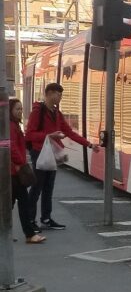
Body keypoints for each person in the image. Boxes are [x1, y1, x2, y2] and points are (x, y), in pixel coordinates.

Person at [26, 82, 98, 231]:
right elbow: (30, 135)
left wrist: (89, 145)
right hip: (39, 153)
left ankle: (46, 218)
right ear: (49, 93)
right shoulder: (37, 112)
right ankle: (30, 220)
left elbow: (69, 132)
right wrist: (48, 135)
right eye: (58, 94)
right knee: (37, 187)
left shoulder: (56, 113)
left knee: (48, 187)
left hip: (52, 153)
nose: (60, 98)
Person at [10, 98, 46, 244]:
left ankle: (23, 234)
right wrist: (20, 163)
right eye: (17, 109)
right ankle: (29, 234)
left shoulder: (14, 125)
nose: (20, 111)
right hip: (14, 172)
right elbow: (11, 147)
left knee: (12, 204)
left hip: (14, 171)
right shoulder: (11, 126)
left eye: (21, 109)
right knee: (20, 203)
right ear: (10, 111)